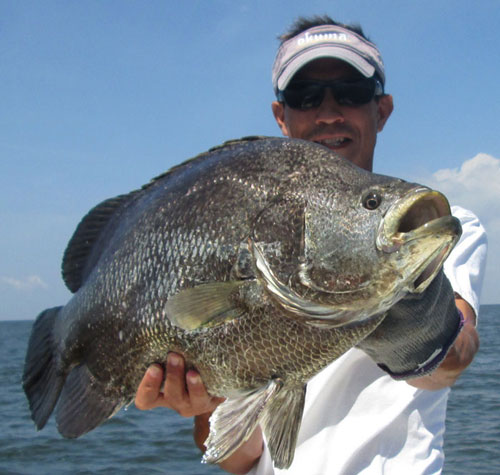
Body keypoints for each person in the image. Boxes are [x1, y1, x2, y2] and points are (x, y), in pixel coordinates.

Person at [134, 16, 487, 474]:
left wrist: (397, 299)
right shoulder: (244, 238)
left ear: (382, 110)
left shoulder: (435, 225)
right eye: (305, 97)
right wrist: (205, 398)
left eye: (351, 93)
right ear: (282, 117)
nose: (328, 112)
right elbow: (241, 460)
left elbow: (449, 362)